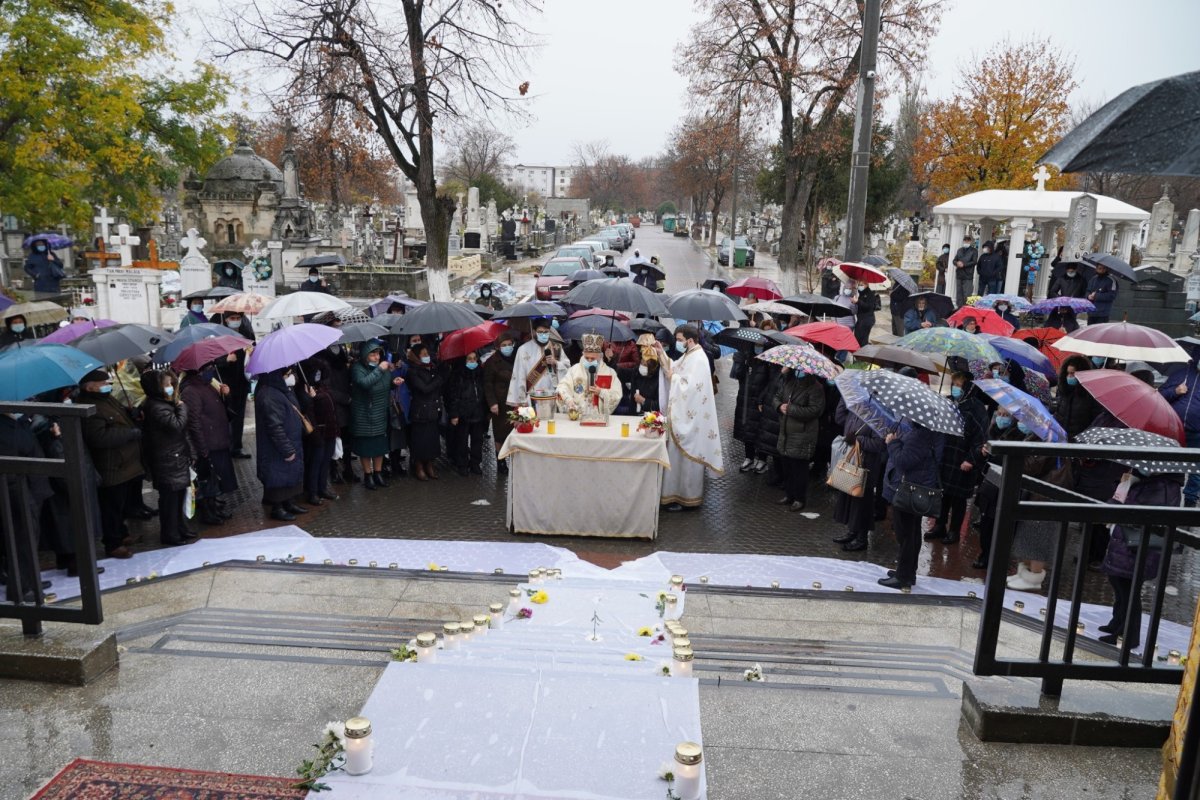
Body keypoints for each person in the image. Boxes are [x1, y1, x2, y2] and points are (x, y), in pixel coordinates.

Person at [1100, 469, 1181, 648]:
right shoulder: (1149, 480)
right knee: (1118, 582)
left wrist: (1129, 489)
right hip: (1127, 541)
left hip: (1138, 545)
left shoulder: (1164, 485)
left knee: (1129, 590)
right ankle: (1117, 622)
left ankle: (1128, 636)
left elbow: (1142, 509)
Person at [658, 324, 724, 511]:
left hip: (691, 421)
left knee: (686, 462)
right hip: (684, 416)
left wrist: (674, 379)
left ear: (689, 340)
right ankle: (674, 495)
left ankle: (687, 497)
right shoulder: (690, 354)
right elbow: (674, 367)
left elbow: (692, 387)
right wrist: (660, 352)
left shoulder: (699, 358)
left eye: (679, 340)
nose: (677, 343)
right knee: (677, 460)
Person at [78, 369, 142, 558]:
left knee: (120, 504)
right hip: (112, 465)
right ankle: (113, 543)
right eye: (103, 383)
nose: (108, 385)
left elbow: (118, 417)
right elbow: (98, 437)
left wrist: (131, 414)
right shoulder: (88, 406)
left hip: (126, 463)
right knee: (111, 506)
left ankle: (121, 534)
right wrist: (130, 434)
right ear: (90, 387)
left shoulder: (106, 400)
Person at [1007, 420, 1074, 592]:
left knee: (1038, 536)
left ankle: (1033, 577)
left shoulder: (1048, 438)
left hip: (1046, 494)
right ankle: (1024, 572)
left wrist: (1022, 448)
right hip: (1039, 492)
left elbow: (1031, 466)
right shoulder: (1041, 435)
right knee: (1028, 534)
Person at [879, 420, 944, 590]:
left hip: (910, 489)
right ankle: (907, 572)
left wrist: (892, 443)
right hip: (916, 488)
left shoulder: (921, 435)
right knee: (912, 532)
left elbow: (903, 461)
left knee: (906, 535)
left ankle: (903, 577)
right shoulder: (931, 433)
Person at [926, 372, 988, 545]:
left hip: (963, 459)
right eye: (953, 384)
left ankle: (954, 530)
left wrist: (971, 459)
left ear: (967, 386)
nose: (955, 388)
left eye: (958, 385)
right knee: (943, 495)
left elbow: (981, 438)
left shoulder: (976, 408)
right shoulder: (949, 402)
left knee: (959, 499)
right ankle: (940, 525)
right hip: (946, 456)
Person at [139, 369, 197, 547]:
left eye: (171, 384)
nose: (170, 387)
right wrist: (181, 407)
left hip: (176, 456)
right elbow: (177, 425)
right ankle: (170, 533)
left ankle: (181, 527)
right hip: (167, 460)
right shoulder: (156, 407)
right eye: (166, 385)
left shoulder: (164, 403)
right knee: (169, 500)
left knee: (179, 496)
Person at [180, 362, 237, 525]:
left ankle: (214, 508)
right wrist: (202, 448)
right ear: (198, 371)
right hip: (207, 443)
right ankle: (207, 512)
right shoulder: (191, 390)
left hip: (218, 440)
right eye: (208, 368)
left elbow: (224, 409)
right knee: (206, 481)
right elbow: (194, 422)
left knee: (215, 480)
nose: (211, 371)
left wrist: (226, 395)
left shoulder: (207, 385)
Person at [831, 399, 887, 552]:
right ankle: (852, 531)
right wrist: (844, 399)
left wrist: (859, 440)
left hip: (866, 467)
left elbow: (880, 445)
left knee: (862, 504)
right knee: (850, 500)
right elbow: (840, 418)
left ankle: (862, 539)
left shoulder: (877, 417)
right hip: (852, 462)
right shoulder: (856, 410)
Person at [971, 407, 1024, 569]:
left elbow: (1014, 461)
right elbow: (981, 460)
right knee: (986, 522)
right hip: (989, 481)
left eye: (1006, 416)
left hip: (1006, 483)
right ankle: (985, 553)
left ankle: (996, 557)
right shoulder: (992, 431)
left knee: (999, 524)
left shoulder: (1018, 437)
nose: (1002, 418)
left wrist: (995, 453)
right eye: (999, 415)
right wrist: (983, 452)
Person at [254, 367, 307, 521]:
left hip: (289, 440)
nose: (288, 376)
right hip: (277, 446)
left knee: (288, 473)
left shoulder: (280, 390)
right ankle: (277, 507)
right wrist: (287, 449)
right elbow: (274, 426)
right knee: (278, 473)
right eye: (286, 374)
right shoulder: (269, 394)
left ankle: (288, 502)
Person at [772, 367, 824, 511]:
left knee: (799, 469)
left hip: (803, 435)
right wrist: (779, 406)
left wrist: (791, 409)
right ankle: (789, 495)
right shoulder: (791, 381)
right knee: (787, 467)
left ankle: (799, 499)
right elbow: (776, 396)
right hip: (786, 433)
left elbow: (815, 410)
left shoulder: (816, 388)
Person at [350, 341, 401, 489]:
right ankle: (368, 475)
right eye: (372, 354)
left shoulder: (383, 368)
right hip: (364, 414)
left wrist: (393, 383)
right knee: (366, 447)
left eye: (378, 354)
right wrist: (379, 369)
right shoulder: (357, 369)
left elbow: (383, 384)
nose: (376, 357)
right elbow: (365, 384)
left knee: (379, 446)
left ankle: (378, 473)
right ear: (365, 355)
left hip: (380, 412)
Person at [212, 310, 256, 458]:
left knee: (239, 416)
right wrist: (225, 360)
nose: (236, 321)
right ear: (226, 320)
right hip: (226, 384)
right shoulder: (218, 336)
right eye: (233, 318)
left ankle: (236, 447)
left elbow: (253, 352)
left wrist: (251, 351)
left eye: (238, 318)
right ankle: (224, 447)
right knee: (225, 416)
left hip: (241, 382)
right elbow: (212, 361)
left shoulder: (246, 333)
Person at [1160, 360, 1200, 507]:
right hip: (1174, 429)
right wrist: (1175, 391)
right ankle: (1167, 497)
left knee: (1196, 470)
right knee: (1169, 463)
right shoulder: (1181, 374)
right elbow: (1160, 395)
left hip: (1197, 433)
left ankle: (1190, 502)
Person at [301, 359, 340, 504]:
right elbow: (308, 412)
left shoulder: (324, 386)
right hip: (317, 432)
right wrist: (311, 398)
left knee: (325, 462)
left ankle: (322, 488)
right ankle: (312, 492)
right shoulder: (304, 388)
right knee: (315, 462)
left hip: (329, 430)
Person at [508, 320, 571, 408]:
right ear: (534, 332)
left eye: (546, 332)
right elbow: (519, 374)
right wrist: (521, 400)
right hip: (532, 395)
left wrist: (556, 363)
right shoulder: (523, 349)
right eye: (540, 332)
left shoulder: (557, 347)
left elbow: (568, 369)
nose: (543, 334)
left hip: (552, 394)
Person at [557, 333, 623, 418]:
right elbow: (562, 387)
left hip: (599, 418)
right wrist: (569, 401)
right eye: (587, 358)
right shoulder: (574, 370)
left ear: (600, 357)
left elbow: (617, 395)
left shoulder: (610, 373)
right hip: (578, 417)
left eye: (593, 358)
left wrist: (601, 392)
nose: (589, 361)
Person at [446, 350, 489, 475]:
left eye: (474, 359)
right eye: (469, 359)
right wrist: (454, 414)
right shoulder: (457, 375)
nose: (472, 361)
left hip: (478, 413)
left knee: (477, 441)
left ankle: (475, 463)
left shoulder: (480, 373)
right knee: (462, 441)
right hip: (463, 413)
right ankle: (462, 464)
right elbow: (452, 396)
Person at [406, 342, 445, 481]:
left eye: (427, 354)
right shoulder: (412, 371)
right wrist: (438, 380)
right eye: (423, 354)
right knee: (419, 440)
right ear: (416, 356)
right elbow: (424, 388)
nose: (427, 356)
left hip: (433, 410)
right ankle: (418, 466)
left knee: (432, 440)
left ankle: (429, 464)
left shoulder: (432, 367)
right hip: (420, 411)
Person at [732, 340, 770, 472]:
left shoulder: (768, 362)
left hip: (759, 402)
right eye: (756, 345)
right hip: (745, 400)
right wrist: (741, 362)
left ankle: (762, 459)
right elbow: (739, 377)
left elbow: (770, 383)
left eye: (760, 345)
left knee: (760, 430)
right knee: (746, 429)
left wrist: (761, 399)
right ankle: (749, 457)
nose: (758, 347)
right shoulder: (748, 358)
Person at [484, 331, 517, 475]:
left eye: (510, 344)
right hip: (500, 403)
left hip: (515, 401)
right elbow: (487, 384)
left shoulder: (517, 358)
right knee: (499, 434)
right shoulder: (492, 362)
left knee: (514, 431)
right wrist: (492, 403)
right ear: (498, 347)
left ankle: (513, 459)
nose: (508, 347)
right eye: (504, 345)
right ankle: (500, 460)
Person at [616, 333, 664, 416]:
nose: (642, 365)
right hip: (633, 414)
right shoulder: (636, 372)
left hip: (651, 418)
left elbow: (661, 404)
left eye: (645, 364)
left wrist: (644, 401)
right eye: (642, 362)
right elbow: (622, 373)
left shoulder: (659, 377)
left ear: (652, 365)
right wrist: (611, 359)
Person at [1054, 355, 1098, 440]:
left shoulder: (1091, 395)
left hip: (1080, 441)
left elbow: (1094, 420)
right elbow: (1059, 412)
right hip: (1061, 438)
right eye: (1067, 373)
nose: (1069, 377)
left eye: (1072, 374)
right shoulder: (1063, 391)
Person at [953, 235, 978, 302]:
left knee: (967, 294)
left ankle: (966, 308)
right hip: (959, 274)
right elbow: (954, 260)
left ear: (970, 241)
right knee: (959, 294)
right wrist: (957, 263)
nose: (966, 242)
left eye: (967, 240)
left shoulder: (974, 251)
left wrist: (964, 265)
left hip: (968, 275)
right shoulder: (959, 250)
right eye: (965, 240)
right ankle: (959, 308)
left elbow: (974, 261)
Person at [853, 282, 878, 347]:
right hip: (861, 319)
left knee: (863, 340)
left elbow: (869, 307)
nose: (860, 286)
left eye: (862, 285)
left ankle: (862, 354)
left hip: (867, 320)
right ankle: (858, 353)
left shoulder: (870, 294)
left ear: (866, 285)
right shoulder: (860, 293)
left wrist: (858, 301)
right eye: (859, 284)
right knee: (857, 338)